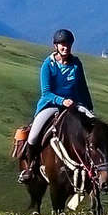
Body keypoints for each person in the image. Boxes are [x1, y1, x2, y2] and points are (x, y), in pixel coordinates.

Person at [21, 29, 93, 179]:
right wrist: (62, 101)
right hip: (51, 105)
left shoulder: (76, 64)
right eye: (62, 44)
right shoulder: (48, 65)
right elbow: (46, 93)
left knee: (95, 130)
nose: (65, 47)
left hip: (74, 104)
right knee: (33, 136)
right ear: (56, 46)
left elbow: (82, 87)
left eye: (68, 44)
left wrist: (89, 109)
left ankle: (94, 168)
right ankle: (30, 167)